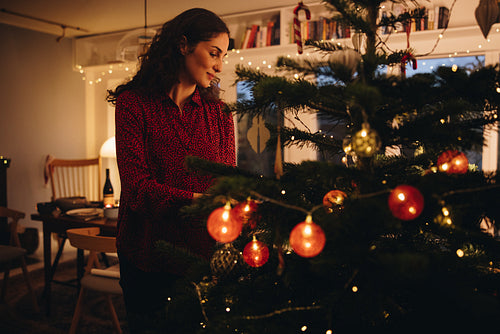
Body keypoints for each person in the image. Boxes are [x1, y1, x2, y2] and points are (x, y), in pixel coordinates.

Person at [106, 8, 235, 333]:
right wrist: (199, 200)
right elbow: (137, 190)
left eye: (224, 55)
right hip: (145, 256)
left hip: (201, 259)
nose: (220, 65)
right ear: (183, 45)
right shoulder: (133, 105)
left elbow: (227, 184)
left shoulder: (219, 114)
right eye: (214, 53)